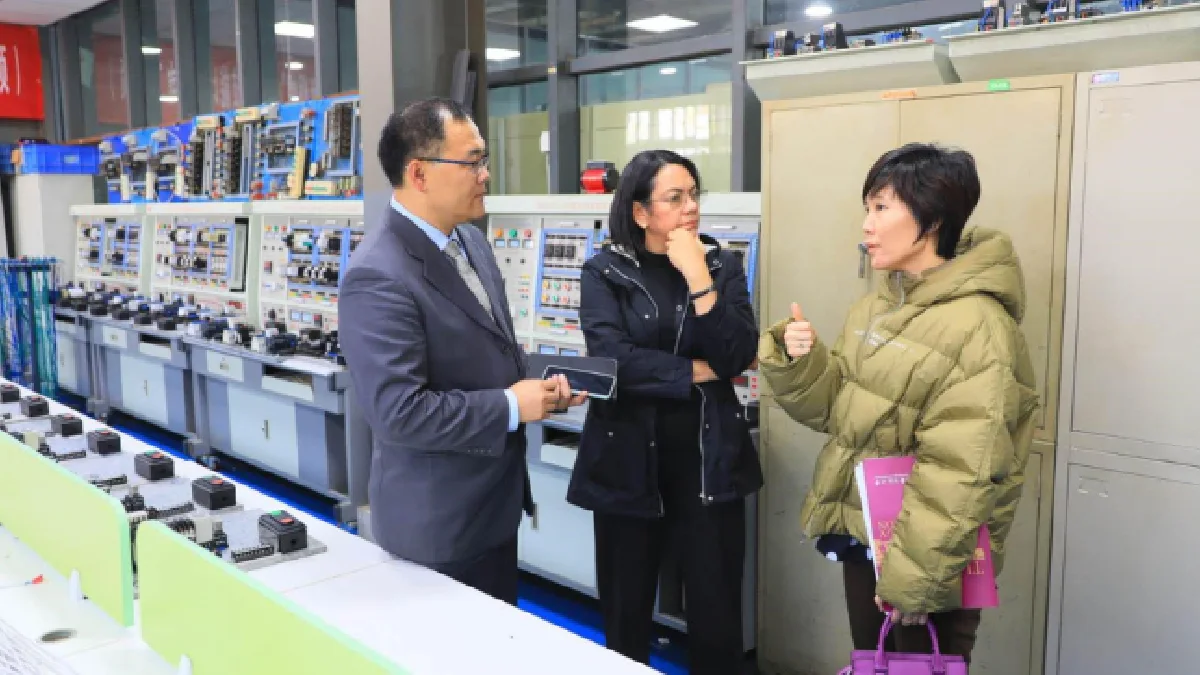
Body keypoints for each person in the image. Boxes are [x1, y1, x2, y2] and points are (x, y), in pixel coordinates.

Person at [758, 143, 1039, 662]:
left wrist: (918, 576)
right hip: (870, 538)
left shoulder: (979, 326)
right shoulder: (877, 305)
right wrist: (799, 360)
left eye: (881, 208)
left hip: (929, 558)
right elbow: (839, 411)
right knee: (873, 663)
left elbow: (962, 467)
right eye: (868, 207)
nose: (866, 224)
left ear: (931, 219)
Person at [339, 97, 585, 604]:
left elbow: (491, 352)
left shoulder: (470, 242)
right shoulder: (378, 273)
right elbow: (398, 413)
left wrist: (540, 388)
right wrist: (513, 406)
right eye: (472, 161)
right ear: (419, 173)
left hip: (492, 508)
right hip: (437, 527)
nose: (485, 174)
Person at [567, 150, 763, 674]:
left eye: (694, 195)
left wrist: (698, 275)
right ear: (640, 212)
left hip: (708, 463)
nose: (690, 208)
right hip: (628, 461)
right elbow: (615, 363)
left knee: (717, 615)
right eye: (674, 198)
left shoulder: (722, 265)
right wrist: (700, 371)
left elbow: (738, 354)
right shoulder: (603, 271)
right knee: (626, 614)